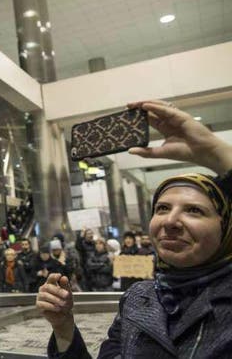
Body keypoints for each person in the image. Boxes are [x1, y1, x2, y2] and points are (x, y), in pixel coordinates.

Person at [36, 100, 232, 358]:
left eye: (194, 210)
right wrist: (64, 330)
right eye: (162, 208)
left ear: (226, 226)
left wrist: (214, 152)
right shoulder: (138, 299)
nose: (170, 221)